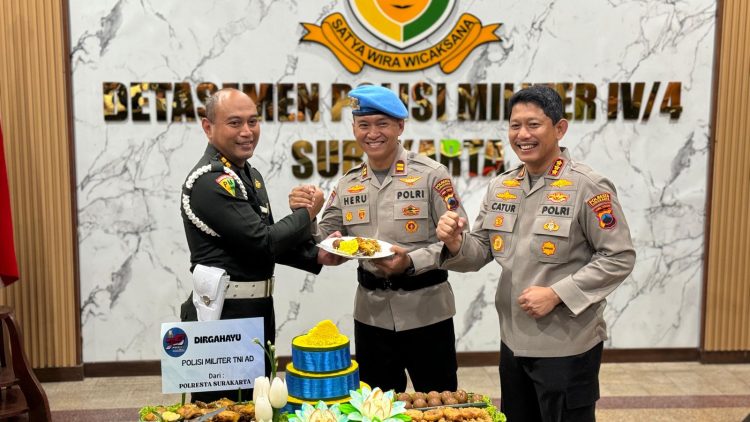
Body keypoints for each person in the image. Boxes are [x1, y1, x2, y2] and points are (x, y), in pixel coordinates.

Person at [436, 85, 636, 421]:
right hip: (514, 342)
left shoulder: (588, 185)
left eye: (533, 124)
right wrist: (456, 242)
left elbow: (618, 256)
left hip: (567, 344)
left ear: (560, 128)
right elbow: (481, 249)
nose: (522, 135)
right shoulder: (502, 185)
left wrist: (557, 293)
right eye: (515, 126)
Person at [297, 85, 470, 393]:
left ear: (400, 126)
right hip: (371, 317)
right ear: (354, 128)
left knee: (439, 404)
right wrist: (307, 214)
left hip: (427, 312)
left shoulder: (432, 175)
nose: (372, 133)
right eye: (364, 124)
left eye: (382, 123)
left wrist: (411, 262)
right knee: (375, 407)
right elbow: (324, 239)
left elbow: (459, 238)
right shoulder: (348, 184)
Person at [179, 88, 343, 403]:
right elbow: (263, 242)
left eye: (253, 121)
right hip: (223, 315)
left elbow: (260, 241)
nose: (247, 131)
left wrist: (318, 255)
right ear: (208, 127)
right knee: (223, 410)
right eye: (235, 123)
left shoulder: (247, 175)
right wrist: (308, 212)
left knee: (259, 404)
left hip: (255, 310)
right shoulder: (209, 181)